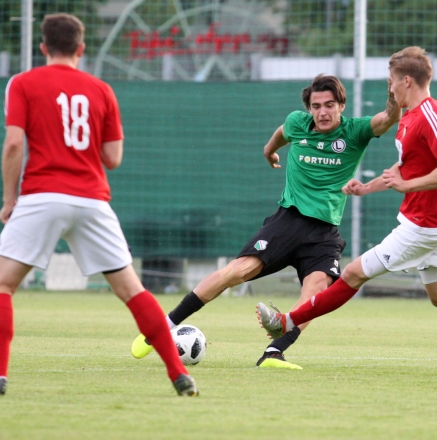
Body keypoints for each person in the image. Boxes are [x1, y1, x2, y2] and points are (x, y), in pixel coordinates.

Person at [257, 46, 437, 370]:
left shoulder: (431, 115)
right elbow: (405, 167)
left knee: (354, 273)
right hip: (432, 220)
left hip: (424, 224)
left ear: (408, 82)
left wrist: (407, 187)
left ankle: (288, 321)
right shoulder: (409, 115)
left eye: (392, 81)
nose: (390, 87)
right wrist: (369, 187)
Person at [0, 13, 198, 397]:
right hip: (92, 200)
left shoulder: (23, 83)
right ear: (82, 49)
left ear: (43, 48)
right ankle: (177, 373)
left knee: (1, 285)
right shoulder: (101, 89)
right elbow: (113, 157)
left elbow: (13, 145)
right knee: (132, 290)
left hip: (42, 194)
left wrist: (10, 199)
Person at [131, 74, 402, 369]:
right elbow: (281, 133)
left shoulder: (355, 131)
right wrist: (269, 150)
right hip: (288, 220)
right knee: (238, 271)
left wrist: (392, 96)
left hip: (323, 232)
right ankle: (159, 329)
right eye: (316, 106)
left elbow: (388, 119)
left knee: (316, 292)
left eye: (329, 105)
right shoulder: (299, 123)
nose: (322, 112)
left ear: (341, 105)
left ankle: (274, 353)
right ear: (309, 108)